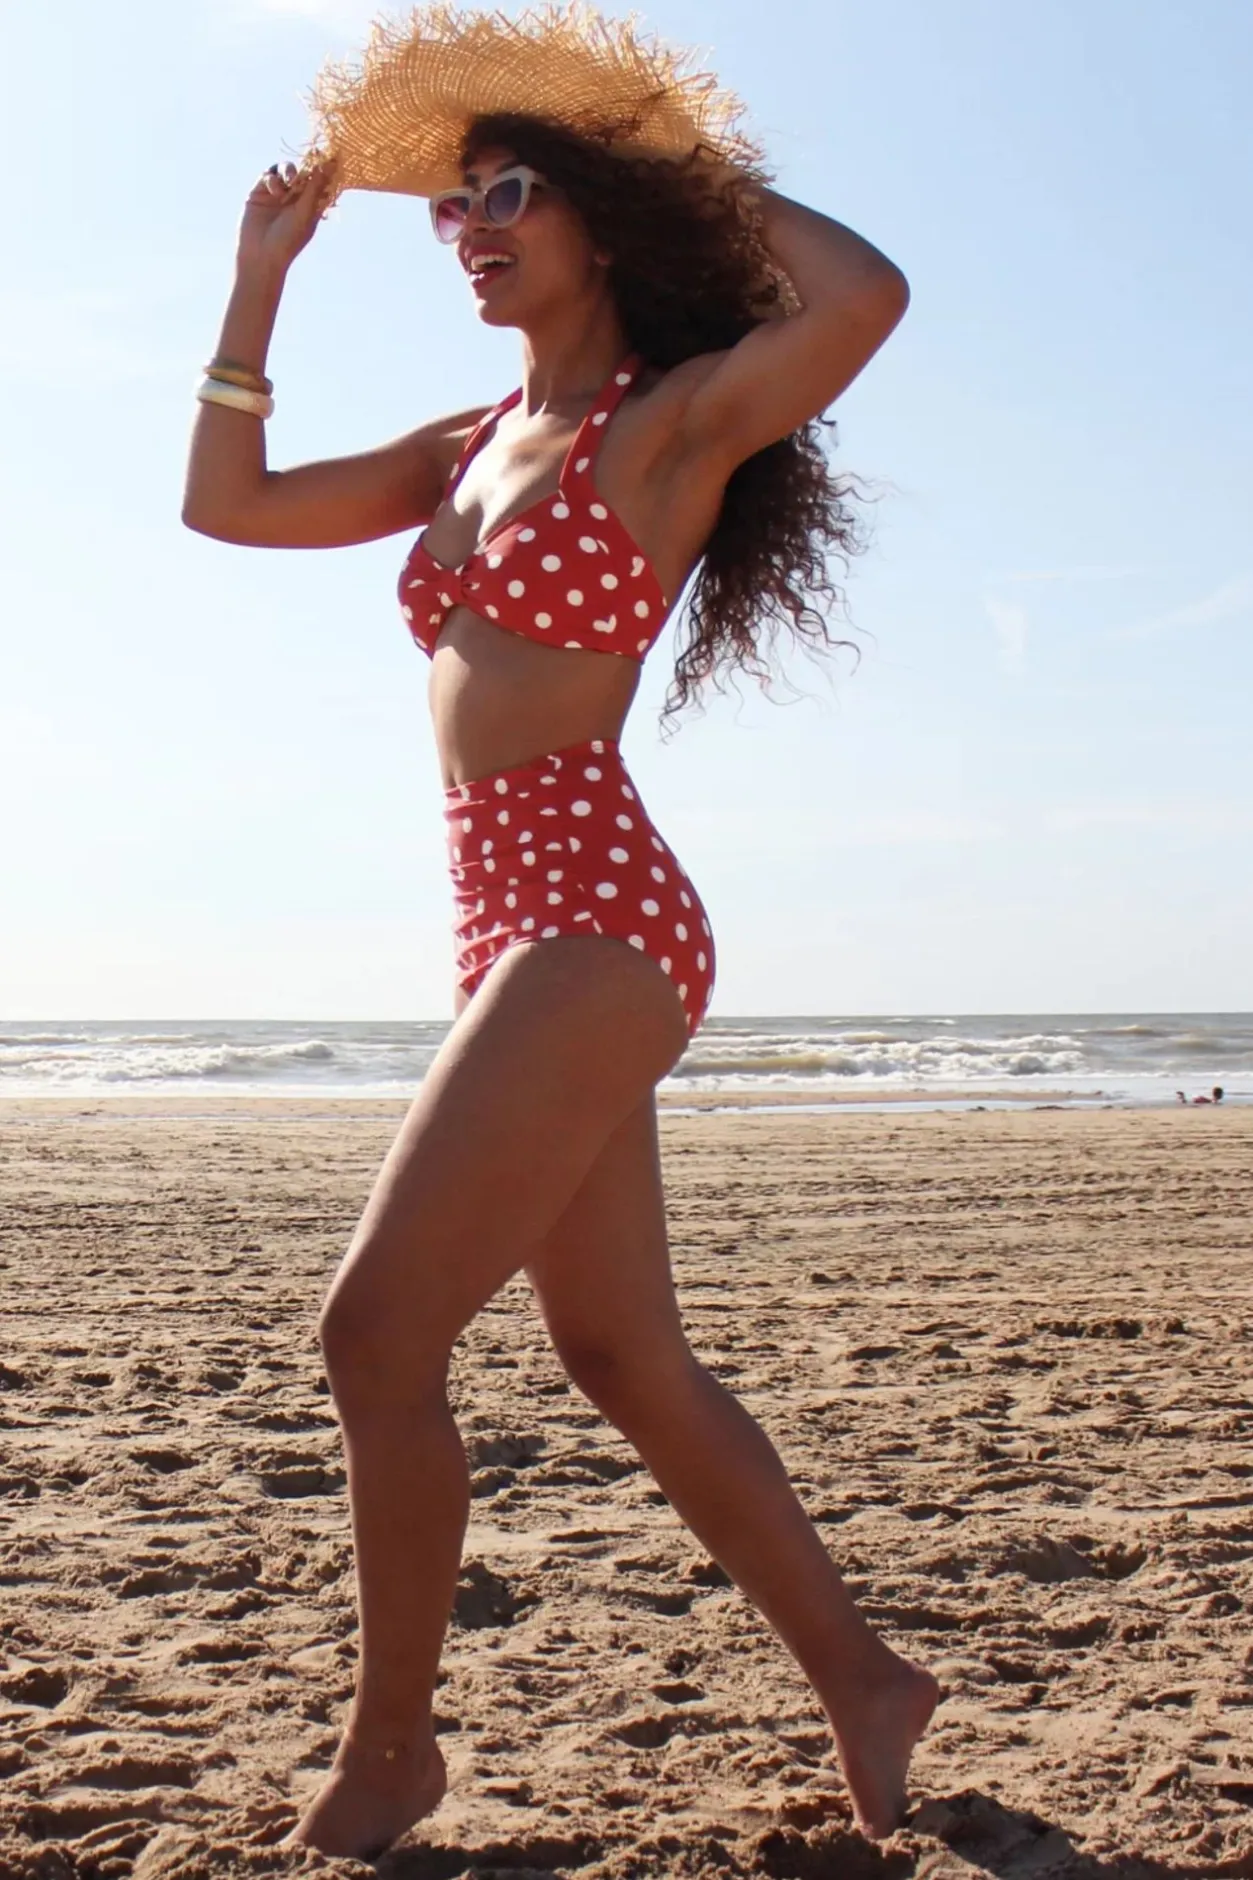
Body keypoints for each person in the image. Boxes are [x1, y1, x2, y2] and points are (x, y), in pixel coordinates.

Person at [182, 7, 937, 1859]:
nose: (470, 231)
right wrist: (261, 281)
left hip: (597, 913)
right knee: (622, 1359)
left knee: (373, 1334)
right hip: (499, 917)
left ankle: (392, 1755)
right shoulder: (466, 444)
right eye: (454, 209)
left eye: (510, 194)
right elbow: (227, 506)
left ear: (601, 220)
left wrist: (679, 161)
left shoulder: (665, 424)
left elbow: (864, 299)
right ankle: (865, 1679)